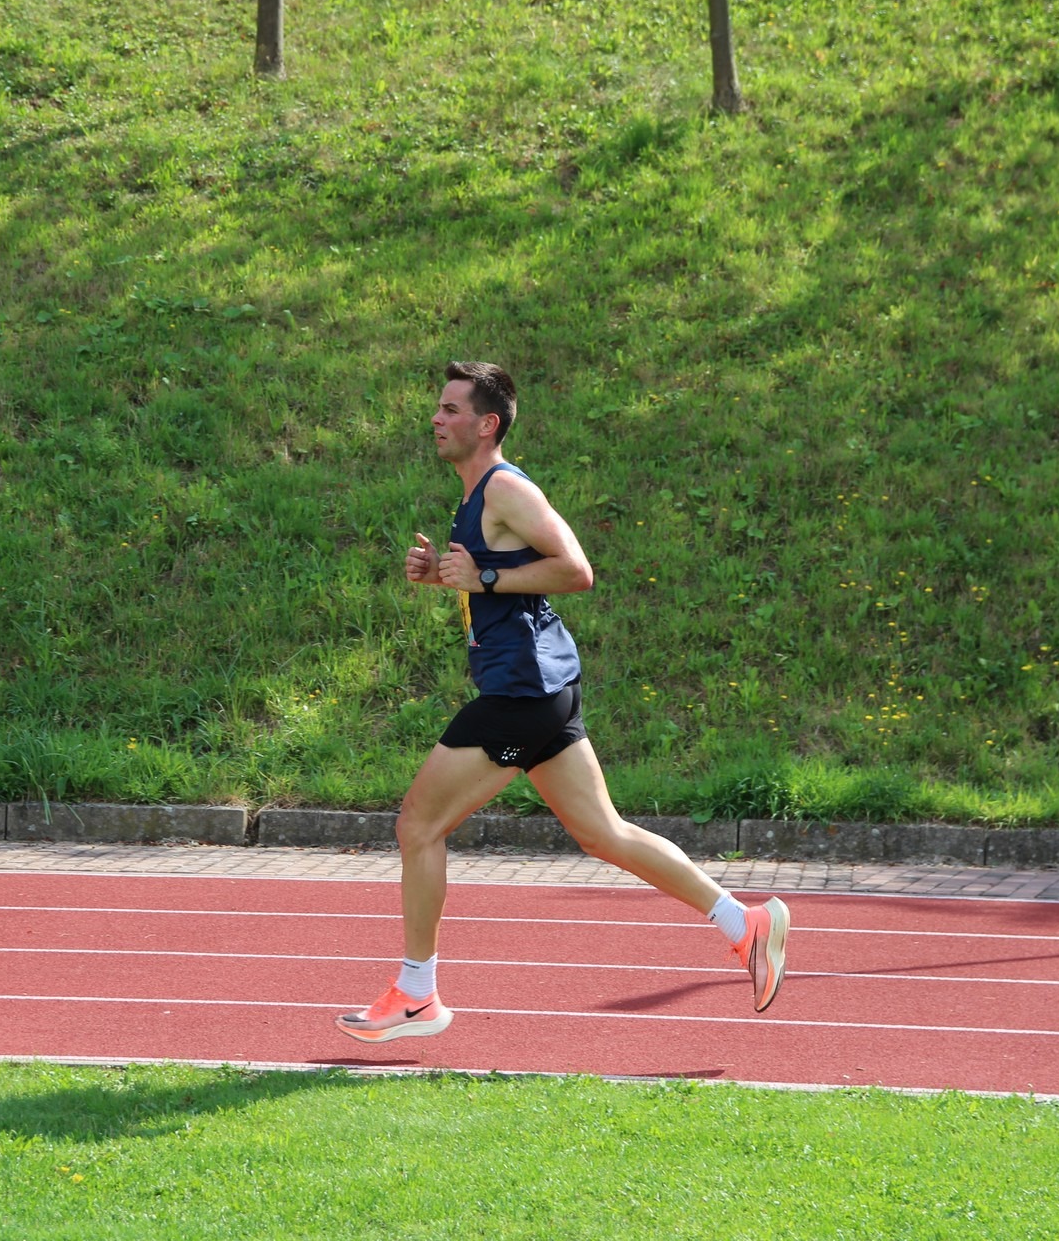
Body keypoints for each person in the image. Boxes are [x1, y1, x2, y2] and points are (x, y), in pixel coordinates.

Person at [336, 361, 790, 1043]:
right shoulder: (475, 496)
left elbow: (576, 570)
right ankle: (744, 924)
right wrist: (446, 577)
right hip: (541, 687)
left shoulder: (506, 489)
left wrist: (484, 576)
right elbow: (501, 584)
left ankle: (417, 994)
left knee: (418, 827)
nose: (436, 418)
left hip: (520, 693)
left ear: (486, 424)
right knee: (603, 834)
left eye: (451, 409)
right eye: (438, 407)